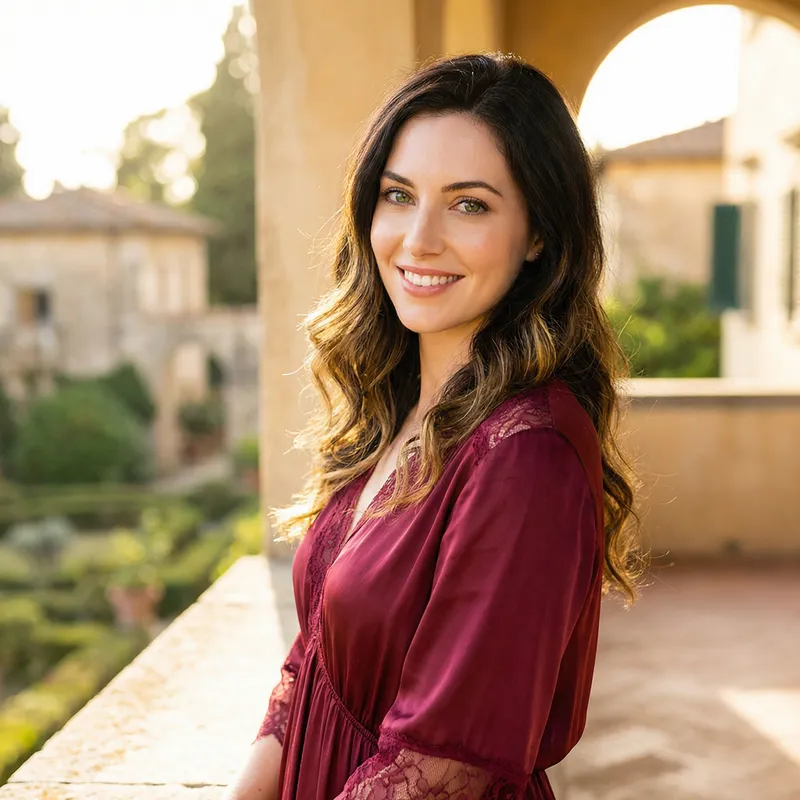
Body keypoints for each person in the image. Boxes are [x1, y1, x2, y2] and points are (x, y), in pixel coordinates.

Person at [224, 52, 642, 800]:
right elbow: (309, 664)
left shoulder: (526, 456)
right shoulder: (398, 410)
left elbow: (441, 769)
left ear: (540, 232)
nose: (418, 239)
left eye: (469, 204)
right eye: (397, 194)